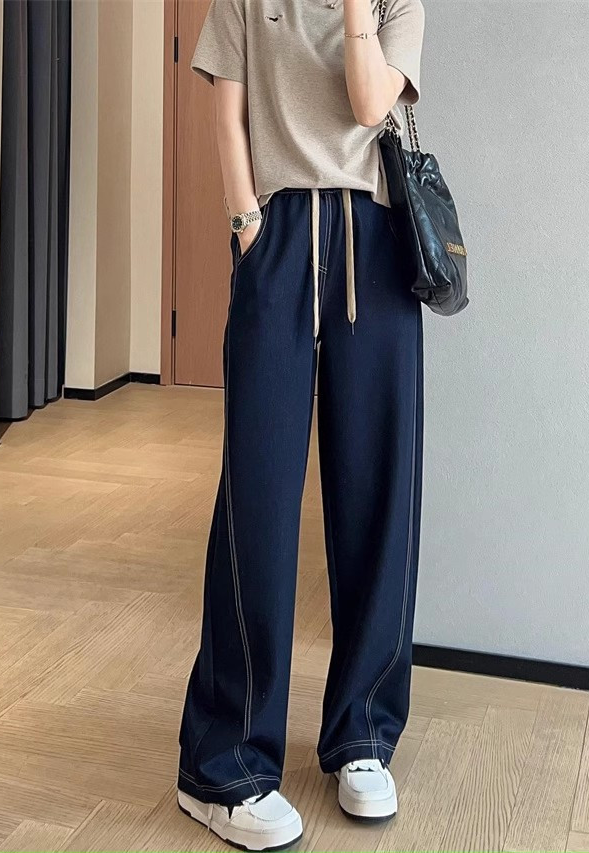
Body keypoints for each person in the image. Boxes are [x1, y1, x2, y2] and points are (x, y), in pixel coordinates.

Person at [176, 0, 425, 849]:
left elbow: (369, 102)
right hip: (277, 238)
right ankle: (223, 763)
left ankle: (363, 734)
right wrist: (246, 222)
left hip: (376, 242)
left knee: (378, 492)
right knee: (258, 499)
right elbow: (229, 111)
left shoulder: (395, 3)